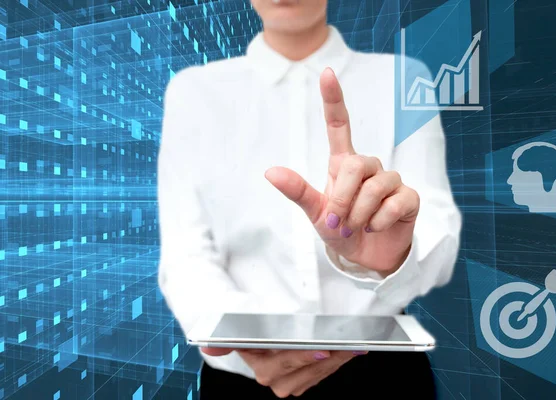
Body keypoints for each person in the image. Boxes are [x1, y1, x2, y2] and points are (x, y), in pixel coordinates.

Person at [157, 0, 462, 398]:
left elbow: (437, 228)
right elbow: (186, 253)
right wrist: (247, 340)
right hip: (244, 376)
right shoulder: (194, 92)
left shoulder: (401, 80)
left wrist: (394, 257)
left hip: (381, 374)